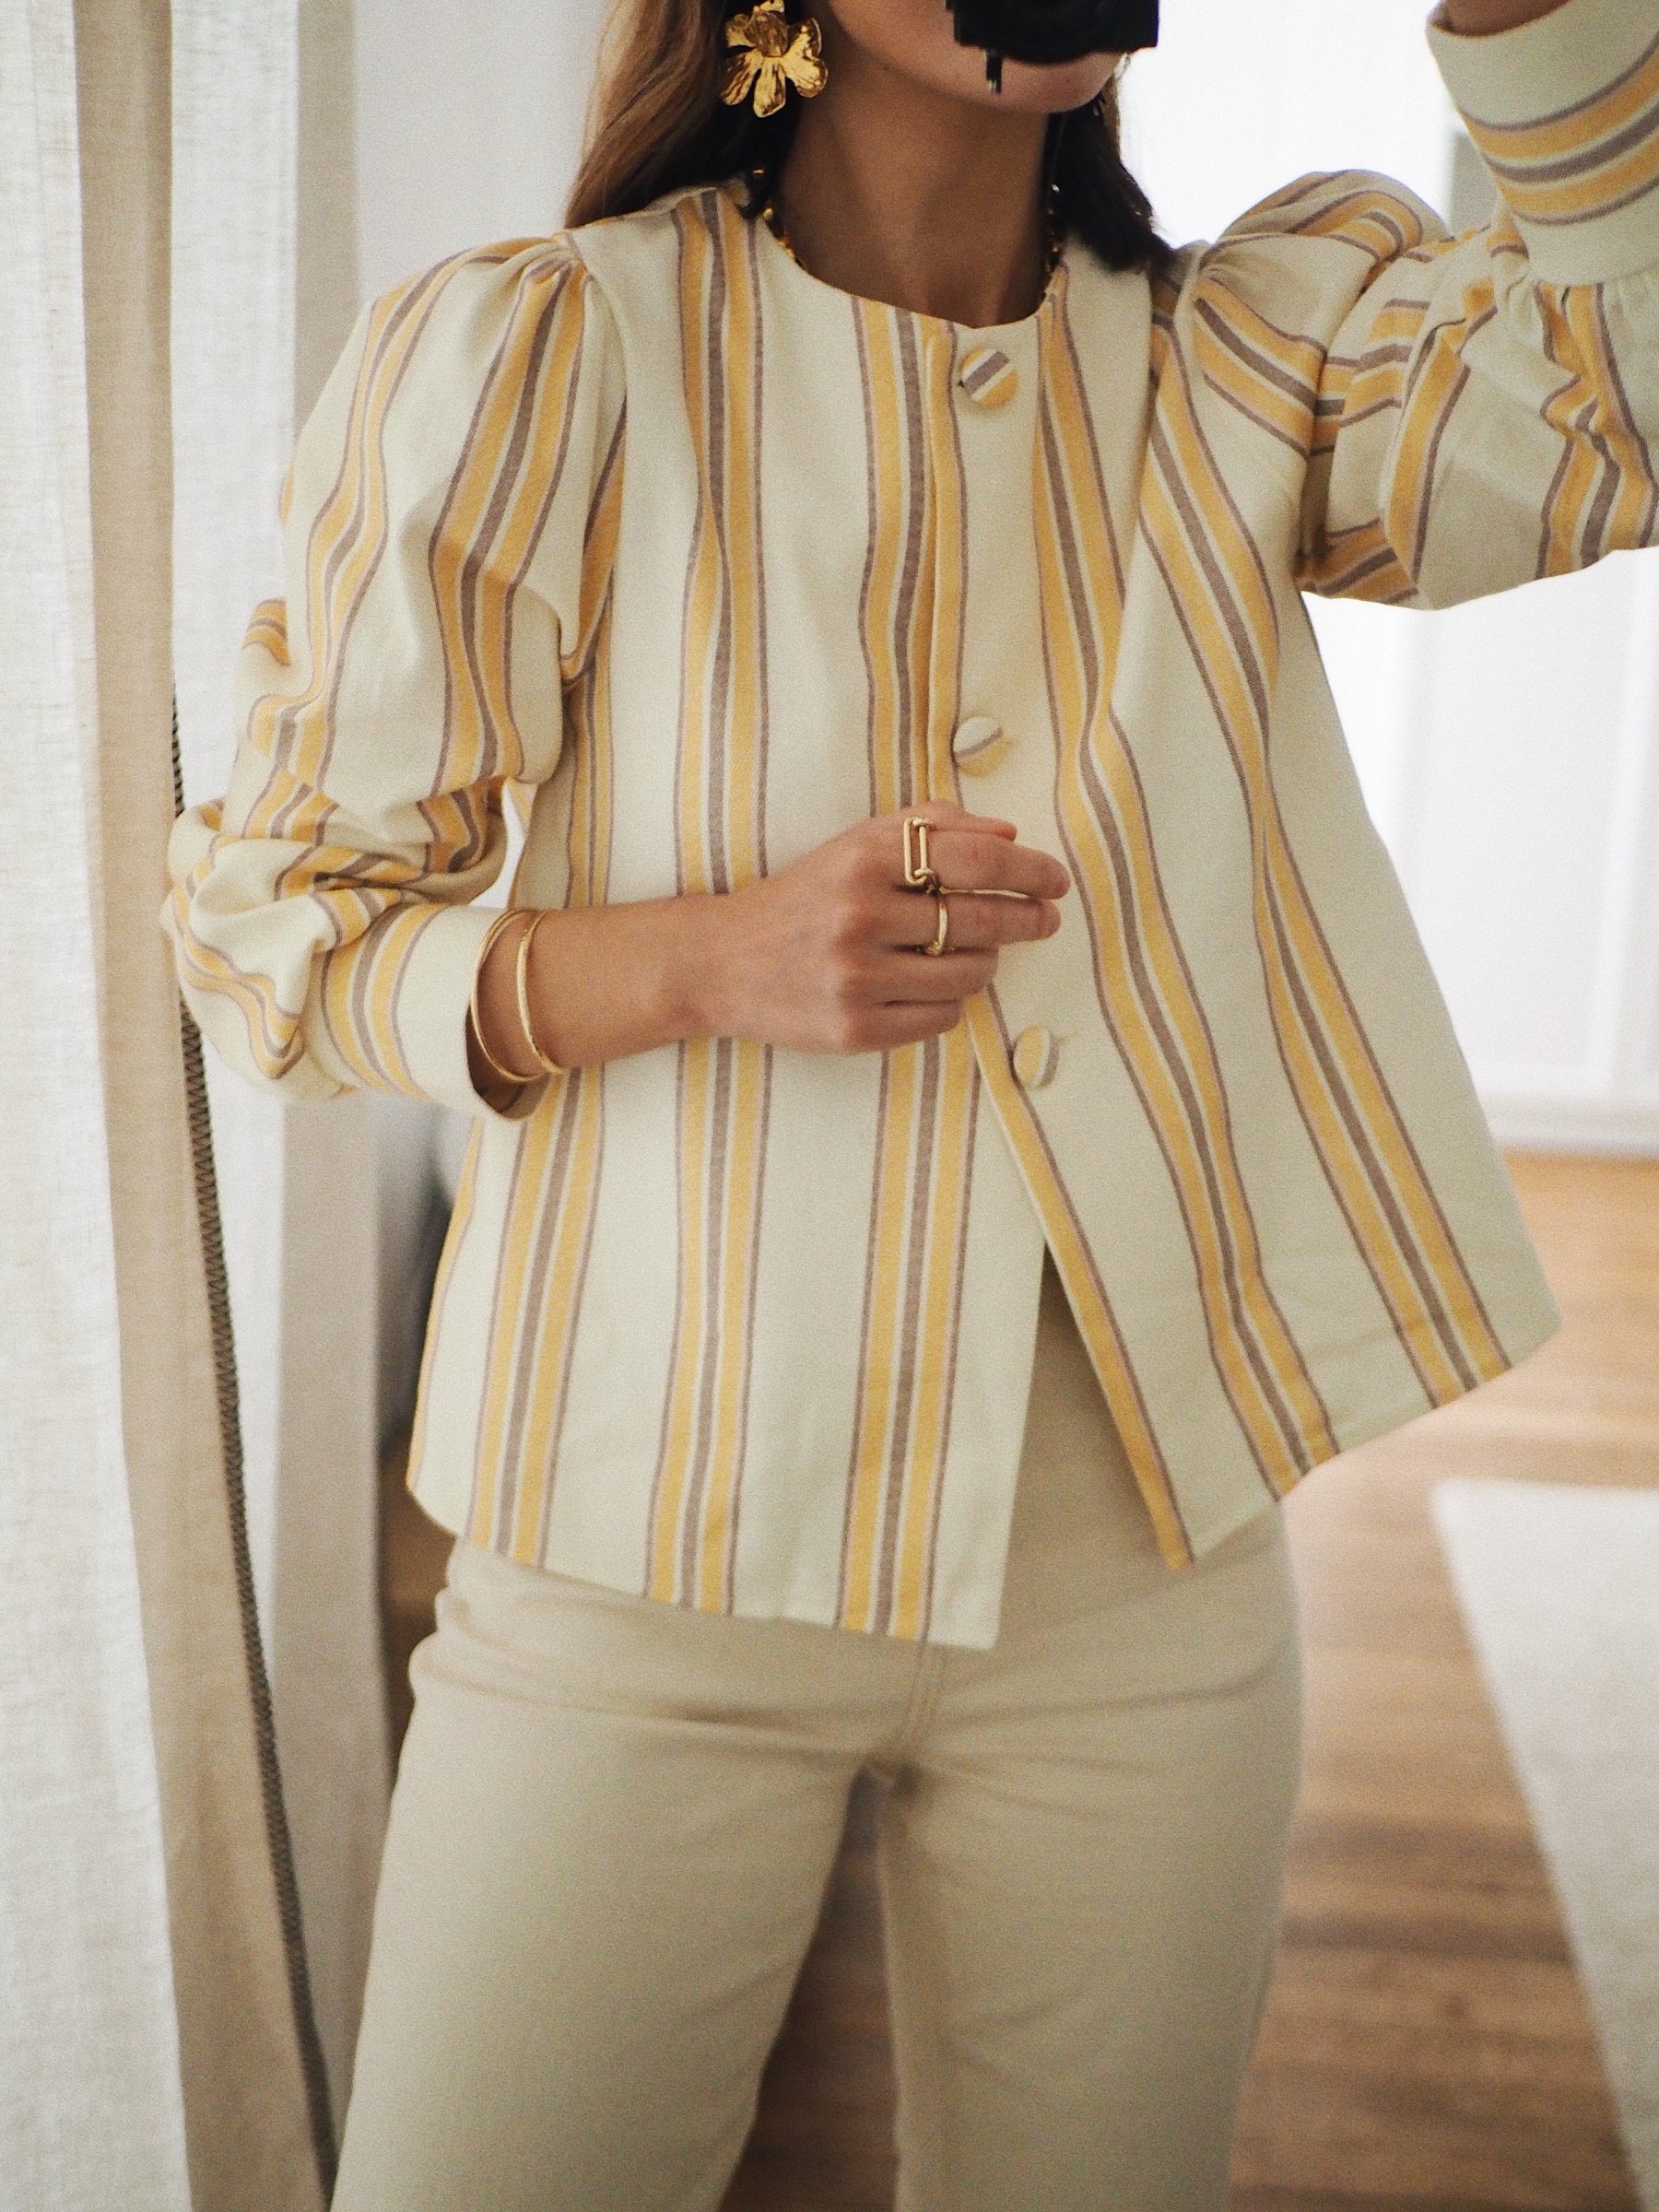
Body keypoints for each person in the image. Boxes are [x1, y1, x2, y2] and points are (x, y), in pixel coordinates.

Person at [160, 0, 1659, 2203]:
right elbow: (271, 932)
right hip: (638, 1549)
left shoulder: (1255, 357)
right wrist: (708, 956)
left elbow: (1621, 390)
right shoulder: (553, 354)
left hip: (1148, 1578)